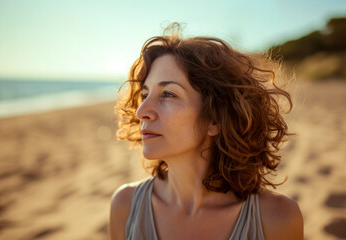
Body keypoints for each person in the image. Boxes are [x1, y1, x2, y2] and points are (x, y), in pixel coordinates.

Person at [109, 23, 303, 240]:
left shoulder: (277, 219)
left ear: (215, 119)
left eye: (168, 94)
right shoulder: (125, 206)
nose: (142, 111)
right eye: (145, 94)